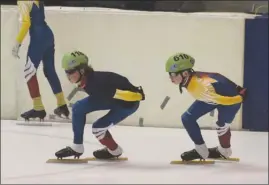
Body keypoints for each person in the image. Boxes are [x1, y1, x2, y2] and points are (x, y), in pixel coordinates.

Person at [55, 51, 145, 160]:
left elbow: (128, 94)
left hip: (127, 104)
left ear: (82, 70)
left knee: (98, 128)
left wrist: (138, 95)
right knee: (78, 108)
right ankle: (77, 147)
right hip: (109, 98)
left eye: (70, 72)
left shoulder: (97, 82)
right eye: (66, 72)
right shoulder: (86, 81)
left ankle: (114, 150)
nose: (68, 76)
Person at [165, 53, 247, 161]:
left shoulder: (197, 87)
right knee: (187, 118)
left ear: (185, 73)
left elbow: (222, 100)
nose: (171, 77)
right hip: (212, 95)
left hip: (230, 98)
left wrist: (240, 97)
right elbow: (216, 76)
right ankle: (201, 150)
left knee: (222, 126)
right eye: (169, 74)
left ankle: (225, 151)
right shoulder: (192, 80)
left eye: (173, 74)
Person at [12, 1, 69, 121]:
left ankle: (38, 108)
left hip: (38, 37)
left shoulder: (22, 1)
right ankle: (62, 105)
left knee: (29, 72)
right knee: (49, 70)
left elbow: (26, 23)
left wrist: (17, 43)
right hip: (48, 34)